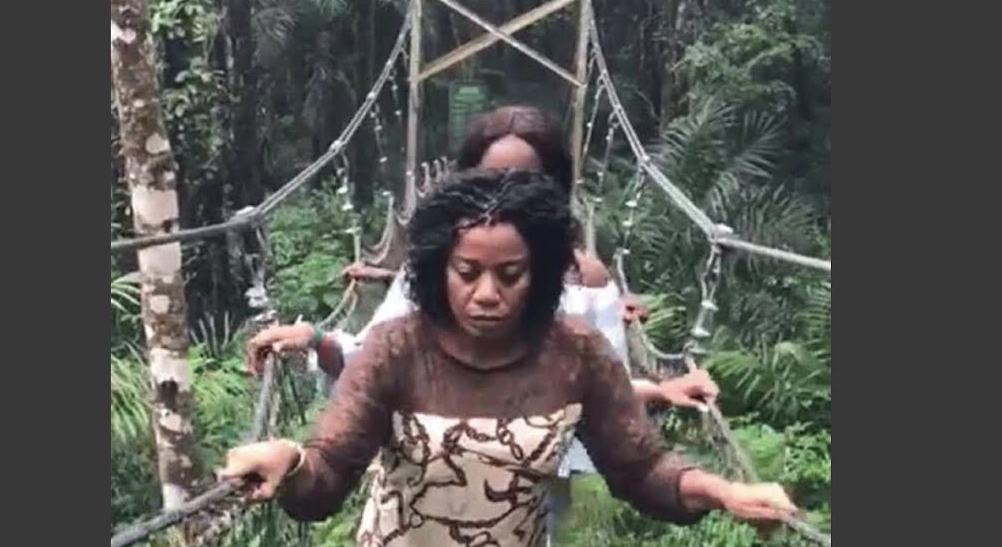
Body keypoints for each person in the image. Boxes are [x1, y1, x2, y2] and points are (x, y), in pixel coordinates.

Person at [219, 170, 796, 547]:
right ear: (439, 270)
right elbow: (329, 472)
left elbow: (641, 469)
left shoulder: (576, 354)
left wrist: (724, 493)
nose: (487, 294)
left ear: (540, 274)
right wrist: (291, 461)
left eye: (510, 274)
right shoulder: (397, 348)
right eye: (467, 273)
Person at [248, 105, 716, 415]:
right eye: (490, 182)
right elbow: (370, 358)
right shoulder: (431, 268)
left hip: (533, 491)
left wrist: (662, 392)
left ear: (554, 188)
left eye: (524, 182)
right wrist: (316, 340)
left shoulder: (583, 281)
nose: (505, 198)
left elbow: (606, 388)